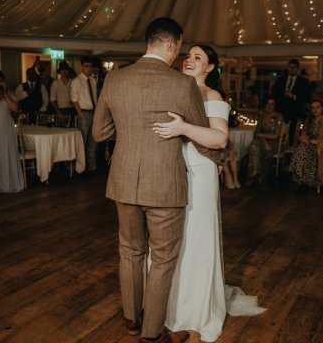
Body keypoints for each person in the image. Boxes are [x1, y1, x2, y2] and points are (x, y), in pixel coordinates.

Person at [92, 18, 227, 343]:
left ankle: (131, 321)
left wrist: (130, 134)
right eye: (181, 49)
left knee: (130, 252)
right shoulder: (181, 85)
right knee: (164, 259)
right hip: (166, 184)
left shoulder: (114, 77)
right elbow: (197, 133)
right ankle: (153, 335)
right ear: (171, 44)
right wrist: (218, 162)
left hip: (123, 181)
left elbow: (100, 133)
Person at [153, 44, 266, 342]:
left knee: (195, 239)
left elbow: (218, 139)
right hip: (168, 171)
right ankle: (161, 306)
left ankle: (193, 312)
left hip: (198, 173)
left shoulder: (212, 97)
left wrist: (183, 127)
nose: (189, 60)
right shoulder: (171, 89)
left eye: (198, 57)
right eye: (188, 55)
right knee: (168, 241)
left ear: (210, 68)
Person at [288, 98, 323, 194]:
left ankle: (304, 182)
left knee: (305, 151)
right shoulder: (310, 120)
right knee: (303, 148)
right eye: (313, 108)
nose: (315, 110)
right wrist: (304, 138)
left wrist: (314, 141)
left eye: (318, 107)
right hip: (310, 145)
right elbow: (304, 133)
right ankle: (304, 181)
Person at [245, 97, 285, 187]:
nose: (269, 106)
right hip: (262, 142)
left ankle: (255, 173)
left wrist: (262, 137)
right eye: (267, 104)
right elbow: (256, 133)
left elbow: (276, 136)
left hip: (274, 143)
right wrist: (264, 141)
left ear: (275, 106)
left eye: (272, 104)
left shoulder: (279, 116)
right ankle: (257, 173)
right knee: (255, 145)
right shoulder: (261, 115)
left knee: (254, 146)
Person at [271, 58, 311, 142]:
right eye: (290, 67)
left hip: (295, 112)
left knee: (293, 135)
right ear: (288, 67)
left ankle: (290, 152)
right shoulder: (280, 80)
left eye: (294, 67)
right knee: (279, 133)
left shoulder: (303, 81)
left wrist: (294, 96)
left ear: (298, 68)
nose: (292, 69)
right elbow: (275, 95)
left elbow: (306, 97)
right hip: (281, 111)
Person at [71, 56, 99, 172]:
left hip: (93, 112)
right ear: (82, 67)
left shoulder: (92, 80)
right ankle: (81, 169)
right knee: (82, 143)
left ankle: (92, 167)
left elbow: (95, 97)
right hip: (84, 113)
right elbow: (74, 100)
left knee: (93, 142)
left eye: (90, 66)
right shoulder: (76, 81)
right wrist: (81, 115)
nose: (88, 68)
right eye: (86, 66)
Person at [16, 57, 49, 123]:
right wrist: (26, 93)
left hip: (38, 113)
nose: (32, 75)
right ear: (27, 75)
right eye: (30, 74)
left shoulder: (41, 86)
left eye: (33, 74)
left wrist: (41, 110)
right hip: (25, 113)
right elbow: (17, 97)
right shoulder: (21, 86)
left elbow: (46, 100)